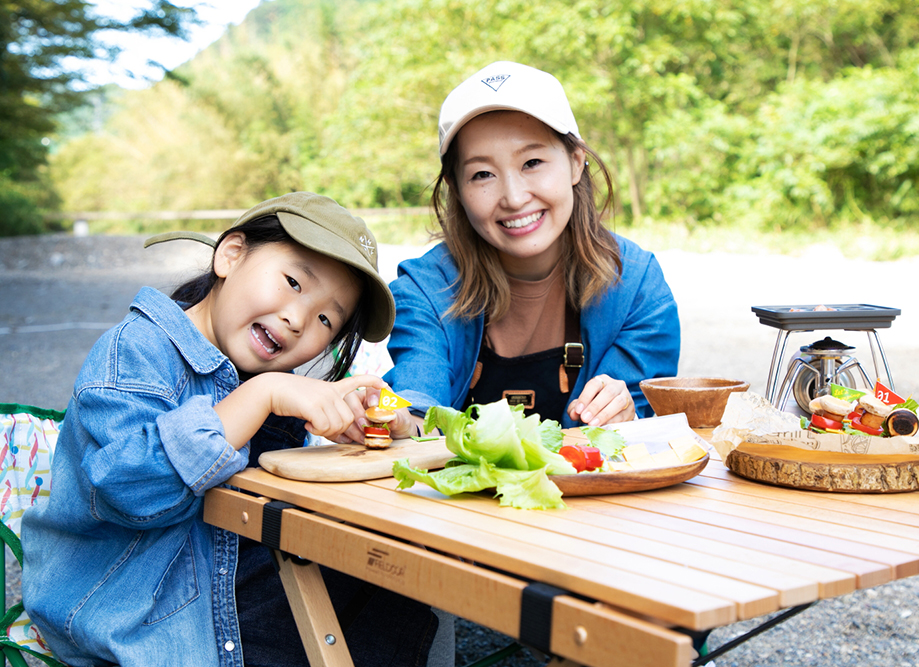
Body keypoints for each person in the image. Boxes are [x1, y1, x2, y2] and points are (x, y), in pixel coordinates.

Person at [20, 192, 445, 667]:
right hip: (138, 610)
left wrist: (367, 423)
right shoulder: (137, 350)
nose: (298, 318)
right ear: (231, 254)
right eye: (292, 282)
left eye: (327, 318)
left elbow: (265, 485)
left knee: (397, 582)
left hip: (219, 570)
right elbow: (130, 489)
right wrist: (261, 395)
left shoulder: (257, 372)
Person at [384, 61, 680, 431]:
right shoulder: (424, 288)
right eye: (482, 174)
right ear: (457, 191)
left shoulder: (637, 286)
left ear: (575, 163)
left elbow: (645, 417)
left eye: (532, 162)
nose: (513, 196)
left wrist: (625, 414)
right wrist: (398, 422)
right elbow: (417, 399)